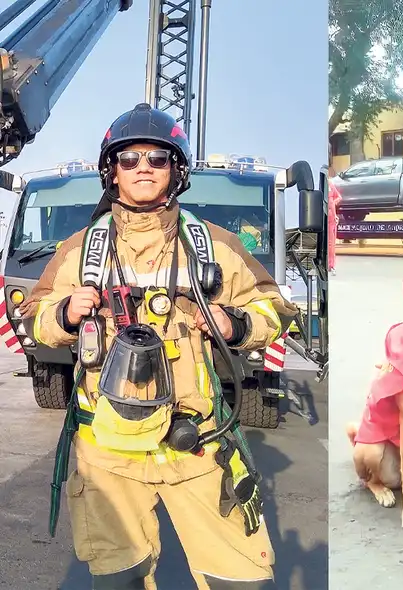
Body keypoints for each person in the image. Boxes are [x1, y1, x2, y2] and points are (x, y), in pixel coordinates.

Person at [27, 103, 298, 589]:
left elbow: (274, 308)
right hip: (109, 456)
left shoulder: (215, 246)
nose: (143, 168)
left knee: (241, 579)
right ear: (112, 172)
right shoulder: (79, 250)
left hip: (197, 446)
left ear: (177, 170)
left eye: (157, 158)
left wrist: (235, 323)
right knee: (119, 580)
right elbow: (35, 320)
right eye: (129, 159)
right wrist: (65, 314)